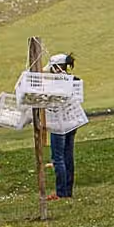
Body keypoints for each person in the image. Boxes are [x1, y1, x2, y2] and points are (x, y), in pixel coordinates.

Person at [44, 51, 86, 199]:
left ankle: (61, 193)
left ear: (56, 68)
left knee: (58, 158)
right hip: (73, 122)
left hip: (59, 124)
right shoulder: (74, 80)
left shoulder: (55, 84)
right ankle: (68, 191)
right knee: (68, 156)